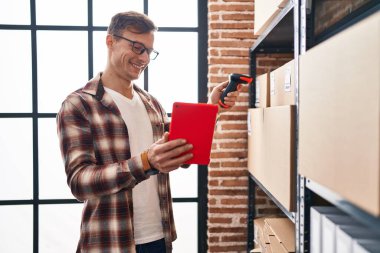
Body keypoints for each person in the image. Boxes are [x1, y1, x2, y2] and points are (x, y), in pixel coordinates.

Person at [56, 11, 239, 253]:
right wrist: (145, 162)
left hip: (159, 238)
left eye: (149, 51)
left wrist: (212, 109)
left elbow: (177, 148)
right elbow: (80, 183)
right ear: (110, 41)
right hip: (110, 241)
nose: (144, 58)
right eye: (136, 47)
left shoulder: (151, 104)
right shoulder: (79, 104)